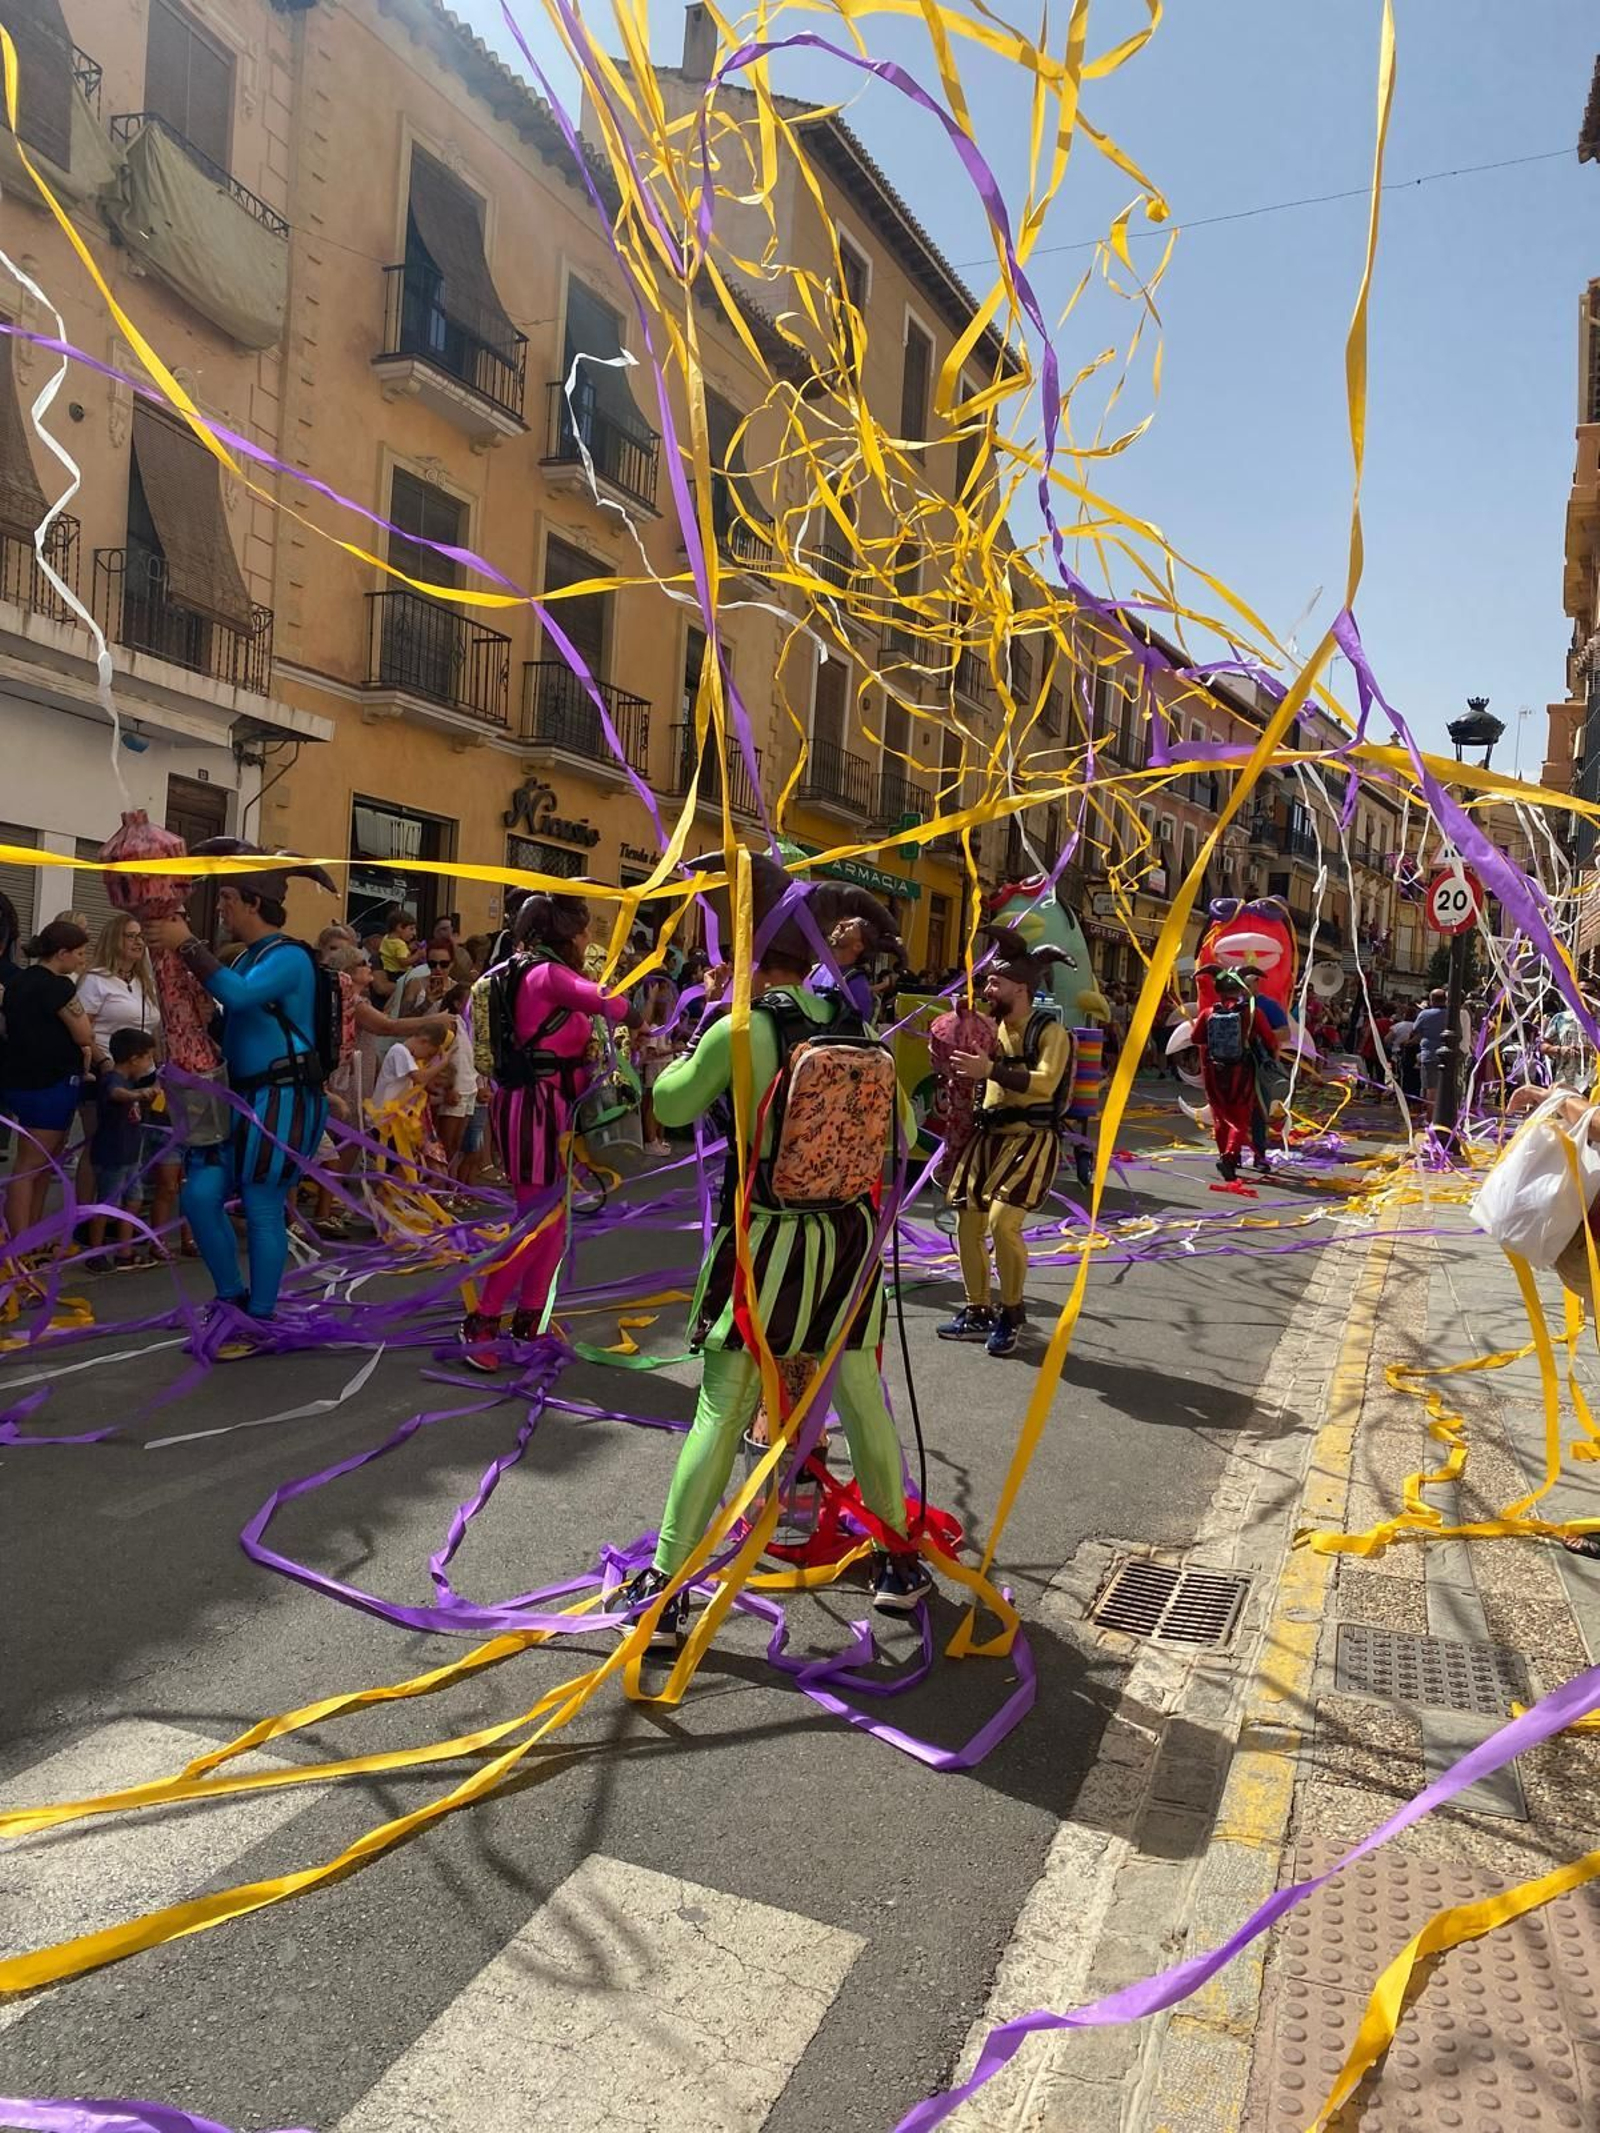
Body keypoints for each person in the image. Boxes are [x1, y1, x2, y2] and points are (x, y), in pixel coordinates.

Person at [615, 858, 929, 1650]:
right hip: (847, 1243)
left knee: (721, 1407)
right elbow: (909, 1137)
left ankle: (666, 1583)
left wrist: (692, 1040)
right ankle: (898, 1561)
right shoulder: (855, 1026)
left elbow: (668, 1102)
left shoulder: (744, 1025)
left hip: (766, 1241)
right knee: (861, 1398)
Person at [145, 843, 337, 1358]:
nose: (221, 907)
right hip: (239, 1096)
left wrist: (186, 945)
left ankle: (259, 1318)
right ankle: (231, 1298)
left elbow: (241, 995)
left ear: (253, 901)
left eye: (227, 896)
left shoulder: (290, 956)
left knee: (262, 1205)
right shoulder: (251, 955)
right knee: (200, 1195)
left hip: (282, 1098)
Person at [461, 891, 631, 1368]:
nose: (586, 940)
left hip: (548, 1109)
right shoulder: (547, 973)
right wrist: (641, 1017)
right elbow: (610, 1005)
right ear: (567, 934)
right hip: (533, 1107)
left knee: (553, 1220)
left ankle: (529, 1320)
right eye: (583, 932)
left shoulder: (521, 968)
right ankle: (483, 1320)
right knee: (538, 1221)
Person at [937, 926, 1076, 1357]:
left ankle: (1011, 1312)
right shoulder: (991, 1029)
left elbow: (1045, 1083)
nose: (988, 987)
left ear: (1021, 987)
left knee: (1002, 1223)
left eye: (995, 981)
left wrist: (990, 1072)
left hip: (1030, 1139)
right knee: (968, 1220)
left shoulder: (1050, 1033)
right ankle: (977, 1308)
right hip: (988, 1136)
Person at [0, 919, 91, 1254]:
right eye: (79, 953)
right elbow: (83, 1034)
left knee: (40, 1165)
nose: (82, 960)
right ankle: (19, 1244)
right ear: (62, 952)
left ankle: (30, 1235)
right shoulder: (59, 987)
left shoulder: (18, 982)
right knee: (29, 1166)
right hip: (49, 1083)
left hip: (18, 1078)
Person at [76, 913, 160, 1208]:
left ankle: (115, 1217)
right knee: (97, 1145)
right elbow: (83, 1030)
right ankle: (86, 1216)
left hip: (141, 1075)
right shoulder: (96, 980)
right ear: (115, 939)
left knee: (129, 1150)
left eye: (141, 937)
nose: (138, 942)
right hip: (107, 1072)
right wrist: (104, 1062)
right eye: (130, 936)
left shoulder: (142, 982)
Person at [1192, 964, 1279, 1182]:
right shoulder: (1251, 1013)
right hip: (1242, 1072)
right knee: (1240, 1119)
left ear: (1218, 990)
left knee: (1221, 1117)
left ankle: (1226, 1156)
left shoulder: (1208, 1013)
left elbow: (1196, 1038)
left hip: (1214, 1071)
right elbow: (1271, 1039)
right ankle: (1230, 1157)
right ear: (1241, 990)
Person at [87, 1028, 157, 1266]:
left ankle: (123, 1252)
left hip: (131, 1155)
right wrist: (138, 1094)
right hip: (112, 1155)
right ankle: (95, 1254)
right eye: (148, 1057)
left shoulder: (131, 1081)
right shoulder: (113, 1080)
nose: (150, 1063)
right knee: (107, 1205)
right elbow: (116, 1094)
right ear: (134, 1058)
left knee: (134, 1200)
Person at [377, 909, 419, 984]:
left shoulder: (386, 938)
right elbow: (403, 963)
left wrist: (408, 948)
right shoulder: (400, 944)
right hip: (400, 974)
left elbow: (393, 953)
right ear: (399, 927)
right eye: (411, 929)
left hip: (388, 973)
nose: (414, 933)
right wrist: (418, 955)